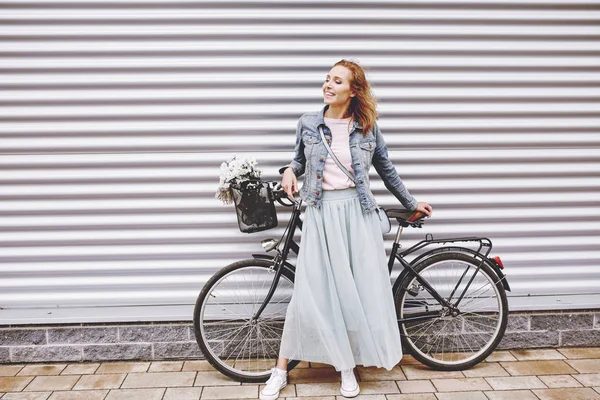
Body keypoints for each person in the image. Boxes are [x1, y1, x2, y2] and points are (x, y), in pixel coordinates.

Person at [259, 59, 433, 400]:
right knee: (308, 294)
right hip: (321, 215)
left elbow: (387, 170)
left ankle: (346, 369)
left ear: (353, 91)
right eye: (327, 79)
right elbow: (298, 161)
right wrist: (288, 173)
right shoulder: (308, 123)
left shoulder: (367, 128)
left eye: (337, 81)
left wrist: (411, 202)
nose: (328, 85)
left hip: (357, 214)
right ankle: (279, 371)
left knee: (350, 295)